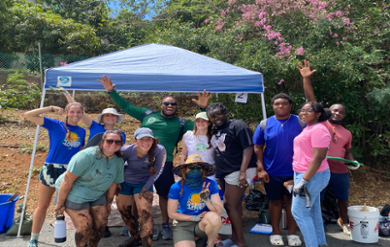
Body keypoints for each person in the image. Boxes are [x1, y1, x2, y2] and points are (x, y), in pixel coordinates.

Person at [98, 75, 210, 239]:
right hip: (139, 161)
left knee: (165, 194)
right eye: (167, 103)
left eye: (173, 104)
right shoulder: (147, 114)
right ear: (161, 105)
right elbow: (126, 106)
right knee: (138, 193)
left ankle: (166, 224)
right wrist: (111, 91)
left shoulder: (181, 123)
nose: (170, 105)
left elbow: (202, 124)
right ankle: (133, 223)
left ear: (176, 107)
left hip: (165, 162)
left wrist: (202, 110)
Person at [297, 60, 357, 235]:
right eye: (334, 110)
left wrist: (352, 161)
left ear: (344, 116)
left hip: (339, 169)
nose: (337, 113)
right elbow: (310, 100)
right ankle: (318, 224)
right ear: (328, 112)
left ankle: (342, 221)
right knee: (317, 198)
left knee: (343, 198)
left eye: (341, 112)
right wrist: (306, 79)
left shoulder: (347, 132)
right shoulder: (321, 123)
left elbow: (348, 150)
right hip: (320, 168)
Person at [24, 103, 86, 247]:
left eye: (78, 112)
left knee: (72, 206)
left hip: (69, 172)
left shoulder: (82, 131)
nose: (75, 115)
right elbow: (28, 115)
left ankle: (83, 239)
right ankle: (33, 239)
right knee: (43, 205)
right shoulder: (54, 125)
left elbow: (80, 152)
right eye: (72, 112)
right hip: (51, 169)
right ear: (67, 112)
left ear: (82, 114)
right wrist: (51, 108)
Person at [54, 130, 125, 247]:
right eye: (110, 141)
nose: (113, 144)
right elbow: (67, 180)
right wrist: (60, 204)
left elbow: (114, 183)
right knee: (85, 225)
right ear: (102, 142)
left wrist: (108, 204)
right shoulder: (86, 156)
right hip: (74, 191)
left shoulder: (118, 161)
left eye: (117, 142)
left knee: (102, 224)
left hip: (96, 192)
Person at [252, 93, 303, 246]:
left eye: (284, 103)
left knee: (292, 202)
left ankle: (293, 233)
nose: (280, 106)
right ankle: (275, 232)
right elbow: (257, 146)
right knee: (275, 201)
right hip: (271, 171)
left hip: (294, 171)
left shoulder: (300, 122)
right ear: (272, 106)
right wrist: (261, 169)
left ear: (290, 106)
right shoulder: (265, 124)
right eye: (277, 104)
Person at [206, 102, 257, 247]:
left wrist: (242, 172)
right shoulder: (215, 129)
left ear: (225, 112)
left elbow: (248, 148)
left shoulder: (238, 126)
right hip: (224, 171)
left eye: (218, 114)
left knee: (230, 204)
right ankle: (234, 238)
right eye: (212, 117)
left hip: (240, 169)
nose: (216, 118)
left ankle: (241, 242)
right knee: (234, 205)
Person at [116, 128, 166, 247]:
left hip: (144, 182)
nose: (145, 142)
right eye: (141, 139)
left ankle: (146, 244)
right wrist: (116, 180)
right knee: (124, 211)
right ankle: (135, 237)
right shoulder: (127, 150)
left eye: (148, 139)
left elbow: (159, 170)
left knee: (144, 213)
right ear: (135, 141)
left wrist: (147, 187)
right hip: (125, 180)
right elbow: (116, 165)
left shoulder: (159, 150)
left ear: (153, 140)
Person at [291, 102, 331, 247]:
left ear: (318, 114)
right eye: (302, 110)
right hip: (305, 174)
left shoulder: (319, 129)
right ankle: (320, 243)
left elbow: (318, 158)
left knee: (299, 212)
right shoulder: (309, 127)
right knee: (313, 212)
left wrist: (303, 181)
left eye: (309, 111)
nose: (303, 113)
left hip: (312, 176)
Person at [168, 154, 223, 247]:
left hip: (203, 223)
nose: (195, 169)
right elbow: (171, 214)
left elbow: (218, 211)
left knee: (214, 218)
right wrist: (194, 218)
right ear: (185, 169)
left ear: (203, 170)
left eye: (199, 167)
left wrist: (206, 200)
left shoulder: (210, 184)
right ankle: (190, 238)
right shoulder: (176, 187)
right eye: (191, 167)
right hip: (184, 225)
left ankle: (210, 244)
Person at [52, 86, 126, 143]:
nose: (110, 117)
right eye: (107, 115)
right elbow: (79, 109)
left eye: (113, 115)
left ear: (117, 118)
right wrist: (66, 94)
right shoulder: (94, 126)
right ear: (102, 118)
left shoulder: (121, 134)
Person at [181, 112, 215, 181]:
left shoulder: (214, 137)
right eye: (198, 121)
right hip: (192, 172)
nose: (200, 123)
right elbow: (184, 155)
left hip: (209, 174)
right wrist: (182, 173)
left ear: (209, 123)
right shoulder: (188, 135)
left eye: (203, 121)